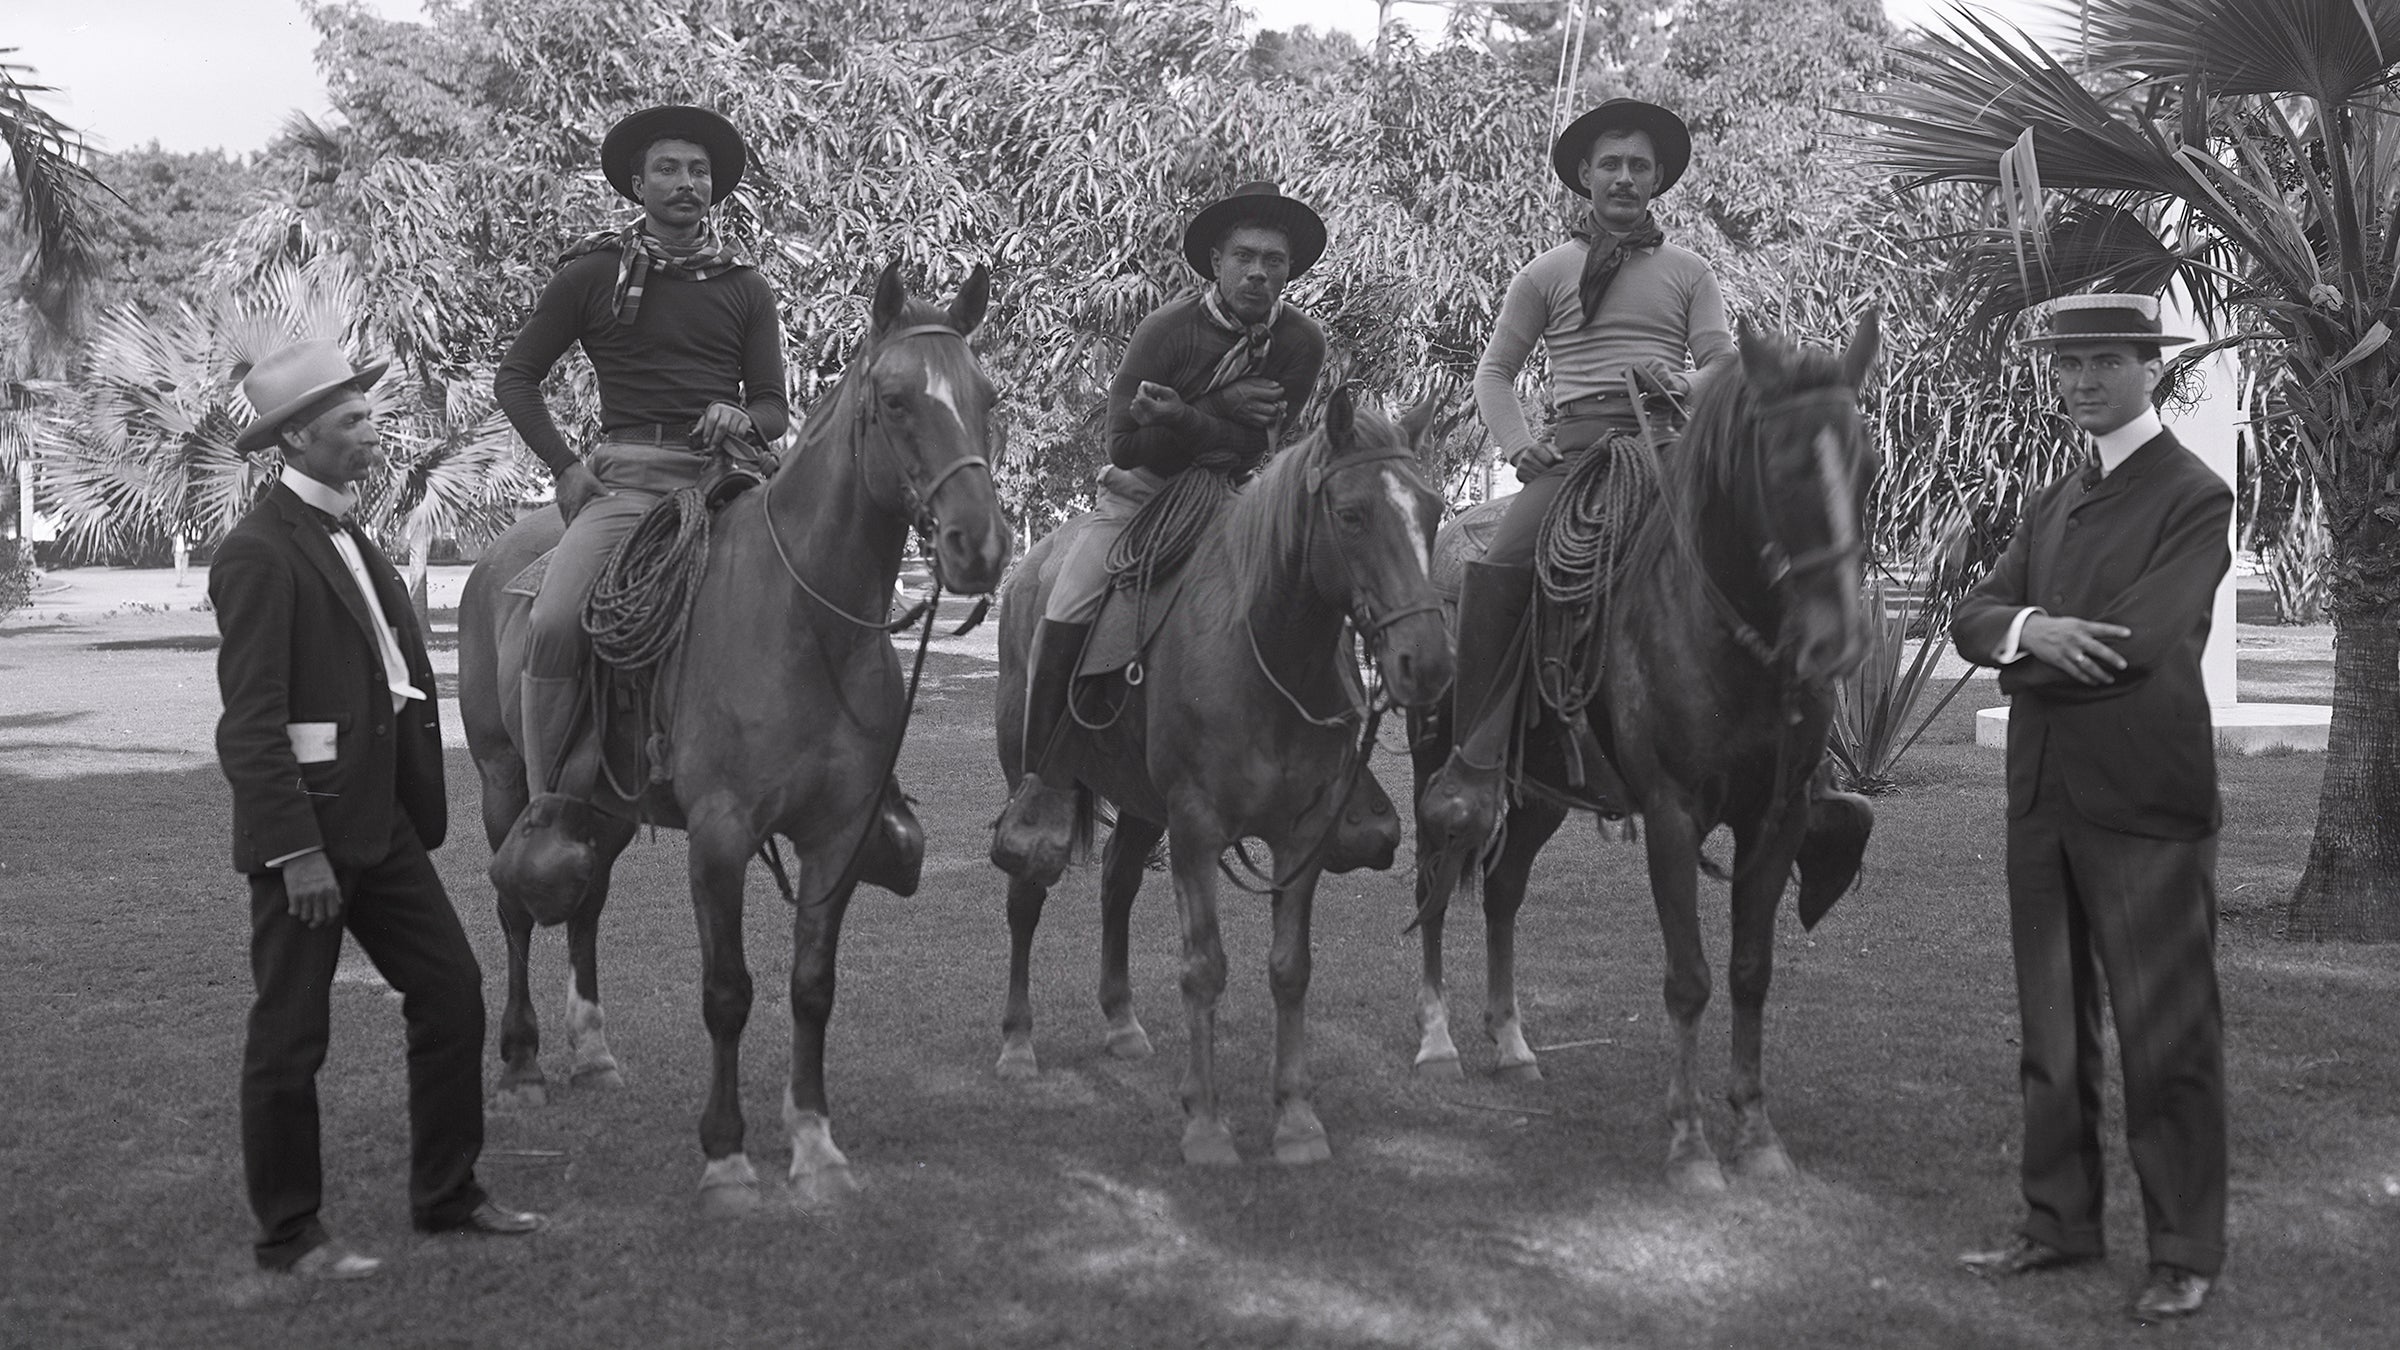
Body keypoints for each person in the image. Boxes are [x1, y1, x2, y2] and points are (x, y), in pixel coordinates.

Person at [490, 104, 917, 914]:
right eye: (668, 170)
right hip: (631, 483)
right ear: (638, 184)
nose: (686, 184)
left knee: (844, 603)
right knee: (551, 620)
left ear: (714, 186)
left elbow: (773, 409)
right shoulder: (590, 275)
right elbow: (516, 379)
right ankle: (551, 809)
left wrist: (740, 417)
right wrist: (566, 467)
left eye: (699, 172)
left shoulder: (743, 284)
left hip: (731, 479)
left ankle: (875, 792)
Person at [212, 341, 543, 1280]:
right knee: (290, 1035)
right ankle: (289, 1236)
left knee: (450, 993)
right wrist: (294, 853)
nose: (371, 430)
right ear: (298, 438)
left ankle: (446, 1195)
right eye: (351, 420)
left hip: (384, 828)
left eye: (368, 414)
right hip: (309, 842)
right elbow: (252, 725)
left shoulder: (352, 536)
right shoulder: (257, 554)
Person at [1951, 292, 2232, 1323]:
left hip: (2145, 803)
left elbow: (2138, 644)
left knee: (2168, 1036)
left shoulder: (2194, 495)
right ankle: (2058, 1222)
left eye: (2100, 363)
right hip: (2043, 802)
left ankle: (2182, 1249)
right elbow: (1971, 613)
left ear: (2148, 368)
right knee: (2052, 1030)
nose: (2077, 384)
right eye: (2064, 368)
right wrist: (2031, 626)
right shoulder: (2053, 496)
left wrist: (2029, 651)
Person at [991, 181, 1329, 873]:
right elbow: (1124, 447)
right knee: (1071, 596)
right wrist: (1218, 409)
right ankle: (1045, 781)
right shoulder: (1168, 331)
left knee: (1312, 589)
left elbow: (1251, 450)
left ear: (1290, 271)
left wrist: (1184, 415)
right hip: (1139, 498)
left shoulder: (1301, 342)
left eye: (1275, 260)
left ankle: (1333, 772)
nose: (1259, 272)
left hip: (1234, 498)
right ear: (1215, 260)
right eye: (1244, 256)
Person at [1426, 99, 1735, 823]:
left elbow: (1723, 363)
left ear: (1657, 179)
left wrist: (1685, 382)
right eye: (1611, 165)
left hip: (1667, 448)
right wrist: (1516, 443)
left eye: (1638, 166)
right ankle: (1475, 758)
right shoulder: (1545, 272)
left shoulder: (1691, 271)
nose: (1624, 178)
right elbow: (1494, 373)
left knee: (1763, 549)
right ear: (1585, 177)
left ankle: (1791, 755)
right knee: (1499, 570)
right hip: (1574, 457)